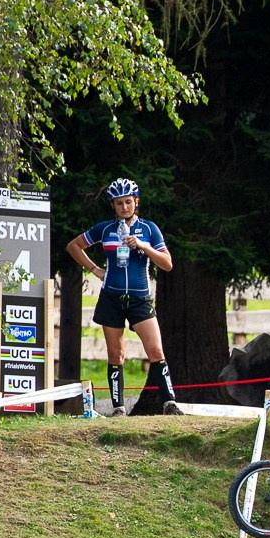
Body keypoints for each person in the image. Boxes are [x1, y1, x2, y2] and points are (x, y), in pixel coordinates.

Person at [63, 177, 179, 414]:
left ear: (136, 202)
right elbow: (73, 246)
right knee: (116, 354)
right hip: (111, 298)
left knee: (155, 350)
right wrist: (95, 269)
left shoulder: (149, 229)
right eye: (119, 203)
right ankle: (118, 408)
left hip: (140, 298)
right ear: (113, 205)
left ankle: (170, 403)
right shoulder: (105, 229)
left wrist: (144, 246)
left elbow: (167, 264)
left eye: (128, 202)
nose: (124, 207)